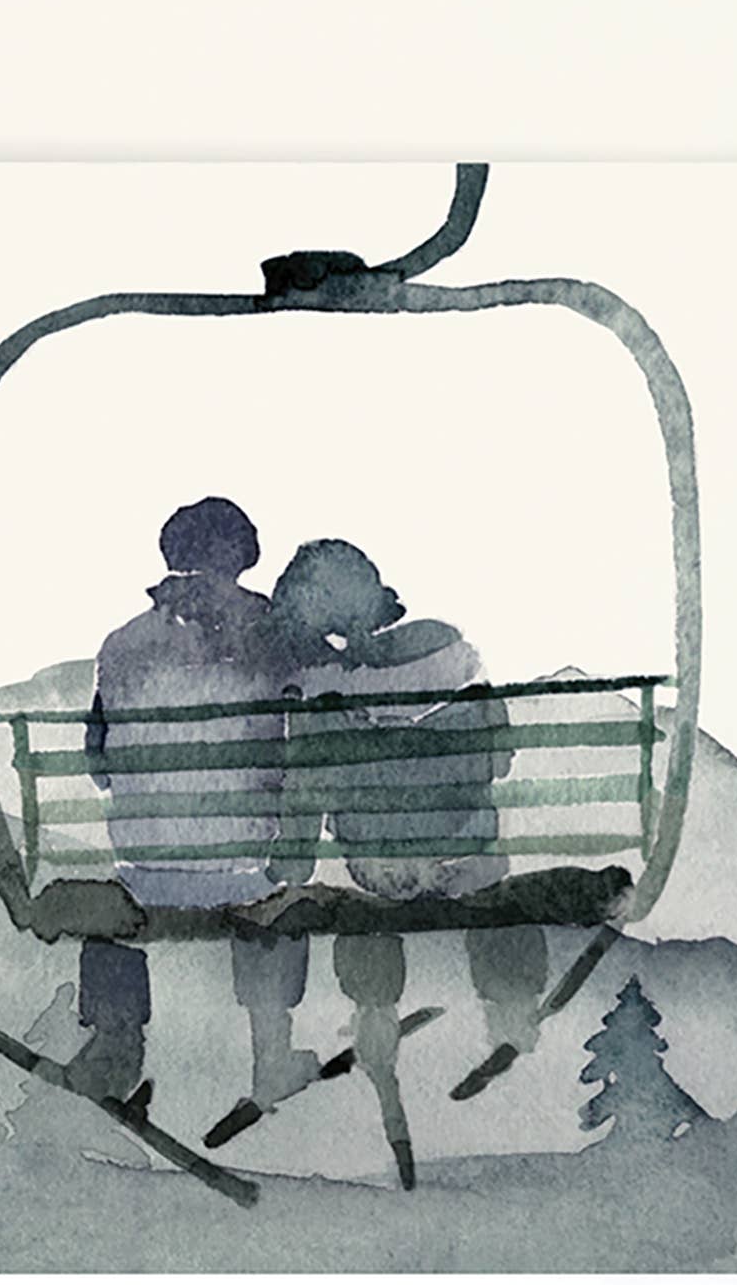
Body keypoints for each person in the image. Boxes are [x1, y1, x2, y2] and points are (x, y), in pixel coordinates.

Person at [269, 540, 546, 1183]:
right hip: (468, 857)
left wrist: (292, 868)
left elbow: (306, 792)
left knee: (365, 912)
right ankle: (512, 1013)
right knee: (491, 887)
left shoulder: (323, 683)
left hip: (380, 870)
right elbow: (501, 757)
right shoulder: (449, 643)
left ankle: (375, 1025)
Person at [66, 497, 317, 1111]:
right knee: (278, 901)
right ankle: (272, 1050)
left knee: (114, 907)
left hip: (145, 871)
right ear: (242, 556)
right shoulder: (275, 635)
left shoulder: (119, 644)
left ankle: (116, 1043)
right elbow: (308, 743)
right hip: (247, 871)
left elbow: (98, 766)